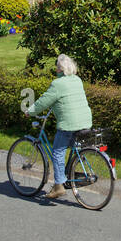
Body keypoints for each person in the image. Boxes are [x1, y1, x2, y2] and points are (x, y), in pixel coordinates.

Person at [27, 54, 92, 200]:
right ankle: (69, 174)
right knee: (71, 147)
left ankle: (58, 186)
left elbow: (43, 101)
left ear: (60, 69)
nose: (56, 69)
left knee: (57, 151)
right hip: (85, 121)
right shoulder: (77, 80)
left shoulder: (57, 84)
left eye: (57, 66)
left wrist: (29, 111)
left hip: (69, 124)